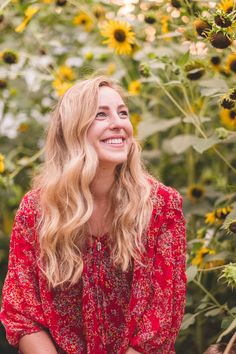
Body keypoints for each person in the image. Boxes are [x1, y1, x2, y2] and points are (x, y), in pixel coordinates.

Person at [0, 75, 187, 354]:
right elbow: (22, 312)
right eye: (101, 114)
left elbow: (159, 322)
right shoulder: (37, 210)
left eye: (122, 113)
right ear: (73, 130)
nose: (118, 123)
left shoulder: (161, 206)